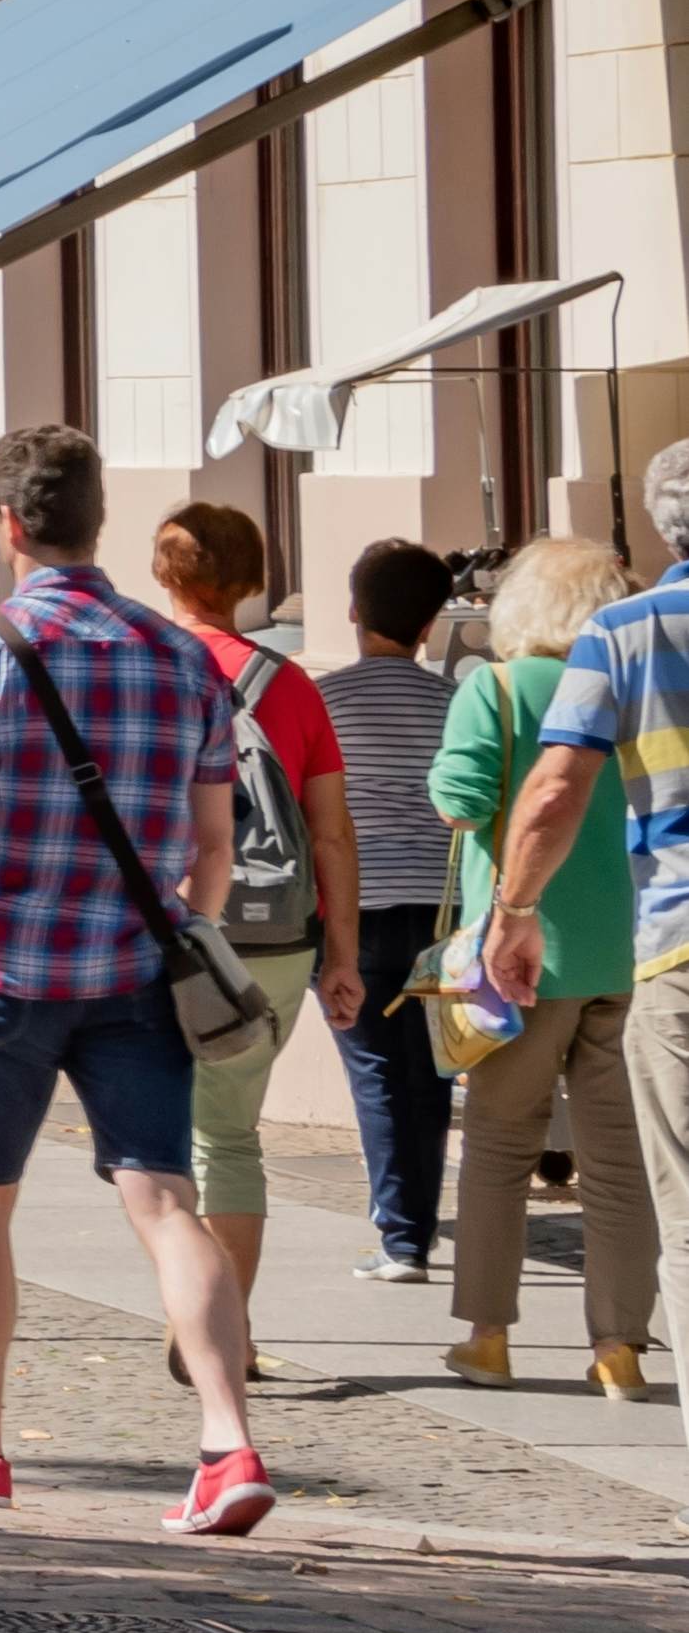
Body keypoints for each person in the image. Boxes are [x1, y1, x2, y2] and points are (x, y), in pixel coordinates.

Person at [0, 423, 280, 1535]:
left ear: (7, 524)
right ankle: (223, 1440)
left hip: (2, 967)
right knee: (162, 1198)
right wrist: (180, 936)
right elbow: (214, 846)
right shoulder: (179, 657)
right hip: (135, 976)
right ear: (96, 521)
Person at [428, 536, 652, 1392]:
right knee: (617, 1159)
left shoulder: (493, 686)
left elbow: (460, 798)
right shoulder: (629, 684)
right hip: (628, 951)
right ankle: (618, 1346)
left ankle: (488, 1337)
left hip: (517, 952)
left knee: (496, 1147)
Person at [152, 499, 367, 1316]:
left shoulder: (143, 667)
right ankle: (224, 1328)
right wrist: (338, 957)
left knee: (160, 1139)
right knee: (229, 1135)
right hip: (275, 934)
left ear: (163, 574)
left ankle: (201, 1326)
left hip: (164, 927)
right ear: (249, 582)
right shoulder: (291, 687)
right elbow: (331, 834)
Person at [314, 536, 465, 1283]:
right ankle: (416, 1228)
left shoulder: (323, 699)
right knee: (430, 1072)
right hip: (441, 909)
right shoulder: (453, 700)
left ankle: (400, 1238)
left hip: (355, 905)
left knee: (373, 1067)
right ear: (430, 625)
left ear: (352, 609)